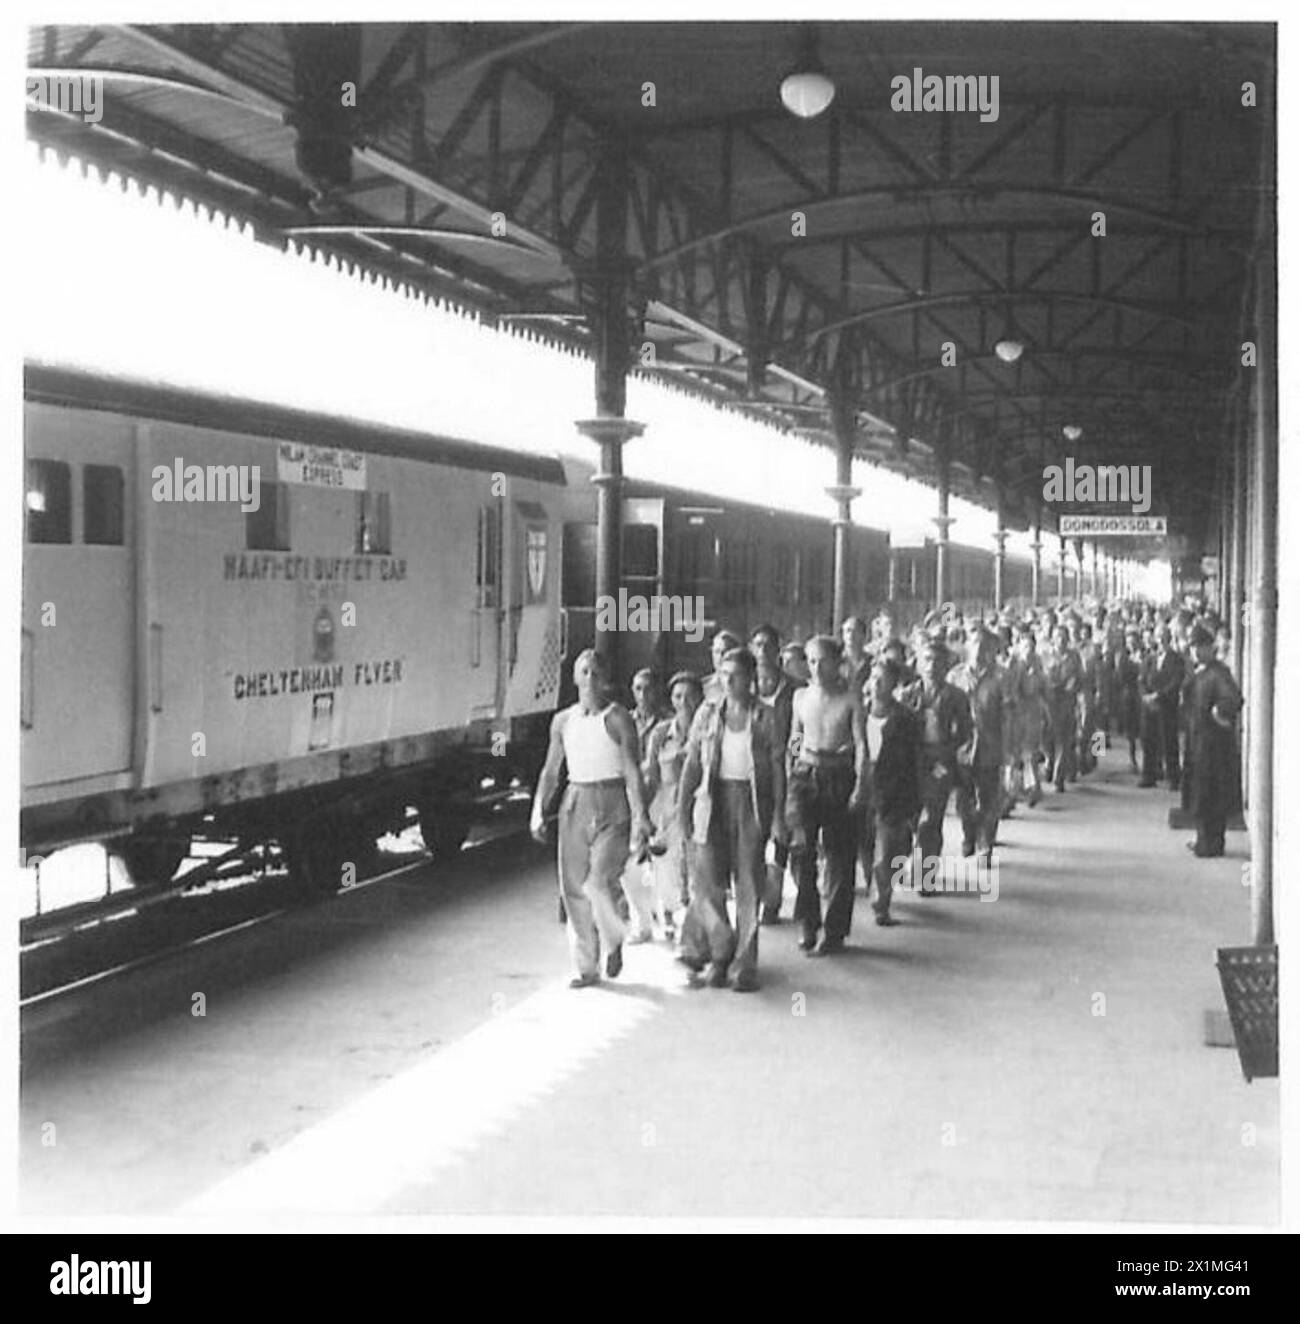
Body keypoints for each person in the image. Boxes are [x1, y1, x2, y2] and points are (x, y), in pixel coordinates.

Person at [531, 649, 654, 989]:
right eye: (584, 672)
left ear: (606, 680)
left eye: (596, 672)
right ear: (574, 678)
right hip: (576, 801)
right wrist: (538, 810)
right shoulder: (563, 721)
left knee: (599, 881)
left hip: (612, 802)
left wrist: (641, 815)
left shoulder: (617, 718)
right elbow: (551, 770)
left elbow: (632, 768)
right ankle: (587, 966)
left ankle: (614, 938)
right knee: (574, 888)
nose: (590, 679)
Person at [677, 648, 787, 992]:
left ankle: (744, 965)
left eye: (736, 675)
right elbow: (692, 764)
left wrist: (780, 816)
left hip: (751, 803)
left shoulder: (766, 717)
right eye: (724, 674)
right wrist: (682, 810)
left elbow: (777, 768)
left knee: (748, 885)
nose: (729, 681)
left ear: (750, 677)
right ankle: (718, 955)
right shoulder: (707, 714)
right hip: (713, 799)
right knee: (708, 881)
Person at [788, 635, 867, 954]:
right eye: (811, 661)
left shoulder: (851, 699)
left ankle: (834, 930)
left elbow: (862, 745)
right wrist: (789, 772)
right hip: (806, 774)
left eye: (823, 660)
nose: (817, 668)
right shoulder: (800, 697)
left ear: (839, 663)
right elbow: (795, 739)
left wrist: (861, 786)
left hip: (839, 775)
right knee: (801, 849)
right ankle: (808, 921)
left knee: (838, 855)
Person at [858, 657, 920, 926]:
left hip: (894, 790)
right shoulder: (858, 713)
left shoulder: (906, 719)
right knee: (867, 846)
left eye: (882, 679)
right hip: (862, 786)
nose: (875, 684)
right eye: (873, 678)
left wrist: (914, 801)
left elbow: (915, 761)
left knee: (889, 849)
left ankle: (881, 901)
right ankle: (876, 886)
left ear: (894, 684)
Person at [642, 671, 703, 941]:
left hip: (700, 809)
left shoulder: (709, 730)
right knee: (666, 870)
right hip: (667, 811)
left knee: (695, 873)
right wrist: (641, 815)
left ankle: (693, 933)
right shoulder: (661, 734)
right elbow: (651, 775)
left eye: (690, 696)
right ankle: (667, 918)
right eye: (678, 696)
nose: (685, 702)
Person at [914, 636, 972, 884]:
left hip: (940, 762)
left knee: (932, 818)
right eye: (927, 660)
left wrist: (947, 752)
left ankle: (926, 875)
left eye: (938, 661)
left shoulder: (956, 697)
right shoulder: (908, 693)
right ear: (918, 663)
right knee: (908, 818)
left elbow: (965, 731)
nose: (932, 666)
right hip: (912, 762)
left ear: (947, 666)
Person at [1183, 625, 1244, 857]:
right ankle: (1204, 838)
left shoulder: (1218, 673)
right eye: (1193, 647)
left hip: (1213, 746)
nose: (1196, 651)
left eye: (1201, 647)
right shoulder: (1199, 672)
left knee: (1211, 793)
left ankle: (1211, 842)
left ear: (1211, 648)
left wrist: (1220, 711)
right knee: (1201, 792)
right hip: (1198, 741)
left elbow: (1233, 698)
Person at [949, 628, 1008, 866]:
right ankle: (969, 833)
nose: (979, 649)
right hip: (961, 748)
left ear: (992, 649)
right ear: (967, 646)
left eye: (985, 644)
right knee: (963, 800)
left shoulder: (1000, 678)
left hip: (989, 746)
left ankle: (986, 845)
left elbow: (1007, 717)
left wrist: (1010, 751)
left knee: (989, 799)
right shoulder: (955, 676)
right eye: (974, 643)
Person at [755, 653, 796, 923]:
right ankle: (759, 896)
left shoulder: (796, 691)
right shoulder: (746, 696)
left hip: (788, 771)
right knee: (755, 844)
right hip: (757, 778)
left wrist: (794, 757)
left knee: (782, 838)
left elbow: (800, 733)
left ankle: (773, 901)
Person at [702, 630, 743, 703]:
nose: (720, 656)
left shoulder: (747, 685)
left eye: (725, 651)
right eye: (717, 651)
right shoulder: (703, 687)